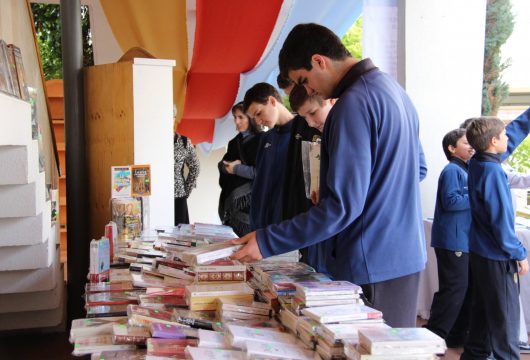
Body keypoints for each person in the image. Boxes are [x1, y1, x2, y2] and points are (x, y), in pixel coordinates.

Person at [233, 23, 427, 327]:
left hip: (369, 258)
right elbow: (416, 169)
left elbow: (342, 207)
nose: (308, 91)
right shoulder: (393, 91)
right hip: (404, 255)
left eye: (304, 80)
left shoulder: (352, 104)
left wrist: (268, 240)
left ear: (319, 61)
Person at [461, 117, 528, 360]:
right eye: (503, 136)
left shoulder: (479, 161)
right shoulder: (492, 172)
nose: (507, 139)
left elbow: (511, 135)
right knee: (505, 326)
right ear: (492, 141)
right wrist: (519, 253)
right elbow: (500, 223)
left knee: (481, 321)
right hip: (497, 257)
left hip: (481, 254)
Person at [243, 82, 323, 270]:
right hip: (264, 230)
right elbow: (259, 186)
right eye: (254, 118)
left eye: (259, 113)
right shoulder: (265, 140)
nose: (258, 121)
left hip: (293, 230)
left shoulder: (307, 131)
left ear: (272, 101)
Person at [424, 129, 475, 348]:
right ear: (452, 149)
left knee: (462, 288)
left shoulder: (464, 170)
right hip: (453, 241)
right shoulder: (453, 170)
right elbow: (451, 202)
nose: (472, 146)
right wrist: (477, 194)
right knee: (454, 289)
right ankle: (432, 337)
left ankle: (455, 336)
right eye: (466, 143)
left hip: (461, 240)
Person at [218, 102, 262, 236]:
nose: (237, 121)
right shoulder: (233, 143)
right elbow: (223, 165)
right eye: (234, 117)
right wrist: (226, 168)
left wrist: (237, 168)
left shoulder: (262, 140)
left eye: (241, 117)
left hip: (255, 202)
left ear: (251, 118)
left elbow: (261, 172)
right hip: (234, 205)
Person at [173, 132, 200, 225]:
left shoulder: (184, 142)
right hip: (157, 196)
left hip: (179, 197)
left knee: (178, 235)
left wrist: (186, 191)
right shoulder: (155, 140)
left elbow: (195, 167)